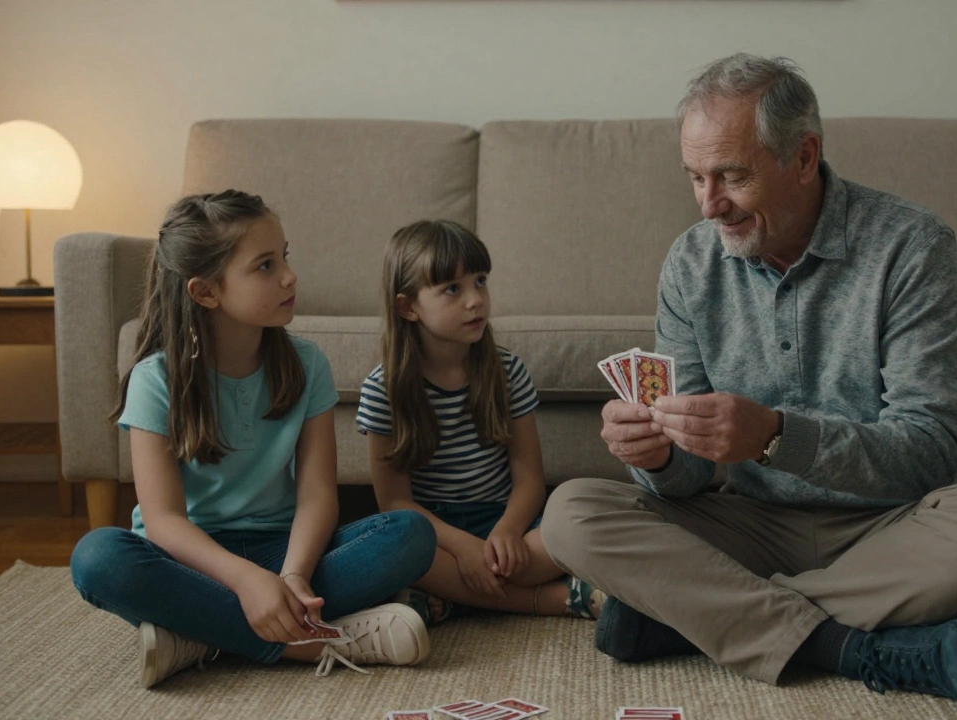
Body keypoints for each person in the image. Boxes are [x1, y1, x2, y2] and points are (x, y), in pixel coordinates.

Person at [540, 55, 957, 710]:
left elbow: (931, 455)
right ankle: (851, 646)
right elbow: (690, 479)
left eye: (732, 176)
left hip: (887, 527)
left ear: (804, 157)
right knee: (573, 512)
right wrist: (661, 455)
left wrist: (778, 437)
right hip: (748, 526)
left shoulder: (912, 248)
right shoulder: (691, 265)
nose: (709, 203)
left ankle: (692, 616)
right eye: (695, 177)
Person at [69, 190, 437, 688]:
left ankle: (198, 635)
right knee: (97, 558)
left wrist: (290, 577)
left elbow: (315, 496)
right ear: (205, 293)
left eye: (284, 257)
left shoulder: (308, 365)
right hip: (189, 561)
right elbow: (163, 521)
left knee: (410, 535)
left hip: (284, 552)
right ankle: (305, 643)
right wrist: (245, 581)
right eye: (264, 266)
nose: (289, 276)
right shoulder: (155, 379)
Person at [358, 219, 605, 625]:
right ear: (409, 307)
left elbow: (528, 476)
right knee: (393, 546)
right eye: (452, 289)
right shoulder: (382, 389)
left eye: (480, 281)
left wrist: (507, 531)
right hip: (433, 531)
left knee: (574, 526)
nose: (475, 300)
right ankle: (562, 599)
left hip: (504, 520)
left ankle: (453, 597)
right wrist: (463, 548)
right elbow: (395, 502)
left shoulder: (507, 371)